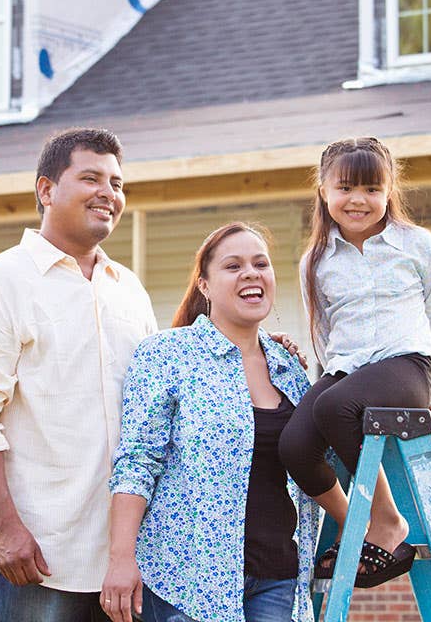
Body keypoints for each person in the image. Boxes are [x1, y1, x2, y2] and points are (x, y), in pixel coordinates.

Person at [0, 128, 158, 622]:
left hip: (125, 563)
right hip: (37, 560)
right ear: (46, 190)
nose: (109, 193)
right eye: (91, 178)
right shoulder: (1, 283)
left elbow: (157, 401)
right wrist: (6, 530)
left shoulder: (129, 291)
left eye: (118, 184)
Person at [101, 223, 322, 622]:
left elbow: (323, 448)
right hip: (186, 583)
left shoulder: (290, 369)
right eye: (233, 266)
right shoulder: (166, 355)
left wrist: (401, 402)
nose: (251, 273)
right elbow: (136, 462)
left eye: (260, 264)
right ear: (203, 285)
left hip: (279, 579)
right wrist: (121, 557)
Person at [278, 137, 431, 588]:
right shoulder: (315, 260)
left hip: (406, 363)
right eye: (346, 187)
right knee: (294, 444)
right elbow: (324, 334)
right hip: (347, 367)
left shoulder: (418, 245)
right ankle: (358, 523)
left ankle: (388, 523)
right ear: (324, 191)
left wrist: (420, 393)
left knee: (336, 407)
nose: (359, 200)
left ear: (389, 191)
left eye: (372, 189)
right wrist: (343, 379)